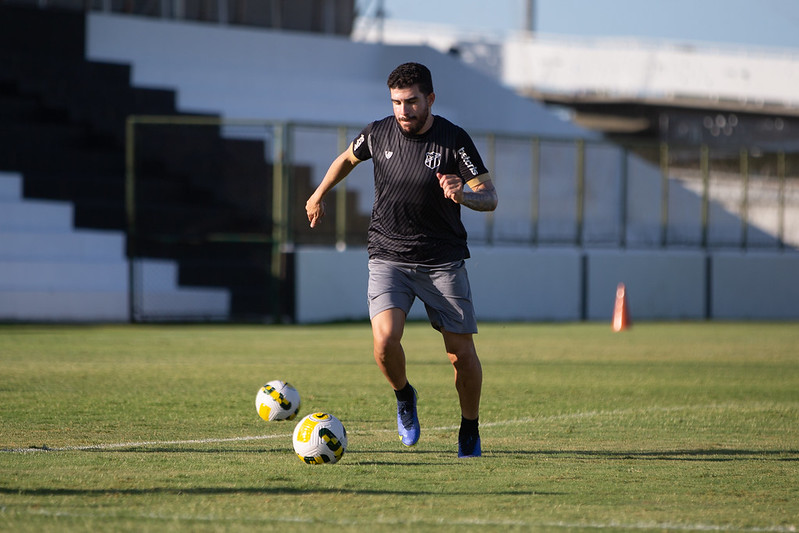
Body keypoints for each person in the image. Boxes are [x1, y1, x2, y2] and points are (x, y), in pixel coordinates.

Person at [305, 62, 498, 458]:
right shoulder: (378, 132)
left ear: (430, 99)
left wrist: (463, 195)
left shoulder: (454, 140)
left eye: (411, 102)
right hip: (388, 255)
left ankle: (469, 428)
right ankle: (404, 395)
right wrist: (319, 192)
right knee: (384, 342)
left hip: (442, 262)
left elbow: (490, 197)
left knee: (460, 355)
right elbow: (346, 158)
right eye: (396, 102)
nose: (403, 111)